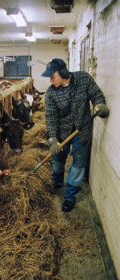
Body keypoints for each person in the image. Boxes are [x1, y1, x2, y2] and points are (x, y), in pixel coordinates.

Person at [41, 58, 109, 212]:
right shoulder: (51, 93)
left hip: (82, 131)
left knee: (78, 164)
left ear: (63, 73)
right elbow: (50, 118)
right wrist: (53, 140)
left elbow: (96, 95)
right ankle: (57, 183)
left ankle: (70, 196)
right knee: (58, 161)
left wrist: (100, 105)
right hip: (61, 133)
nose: (51, 80)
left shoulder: (83, 79)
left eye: (53, 76)